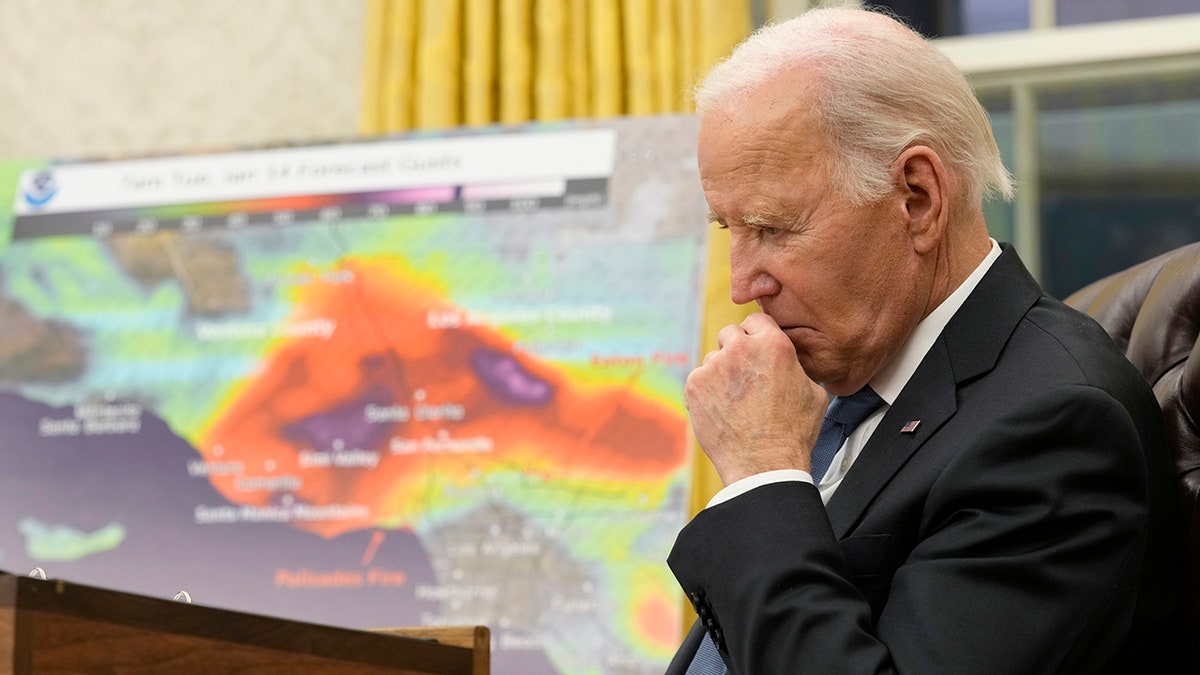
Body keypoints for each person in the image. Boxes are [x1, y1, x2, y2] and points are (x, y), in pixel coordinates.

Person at [666, 7, 1180, 674]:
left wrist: (763, 473)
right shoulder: (841, 384)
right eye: (727, 228)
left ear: (916, 197)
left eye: (773, 228)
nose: (742, 284)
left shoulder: (1054, 426)